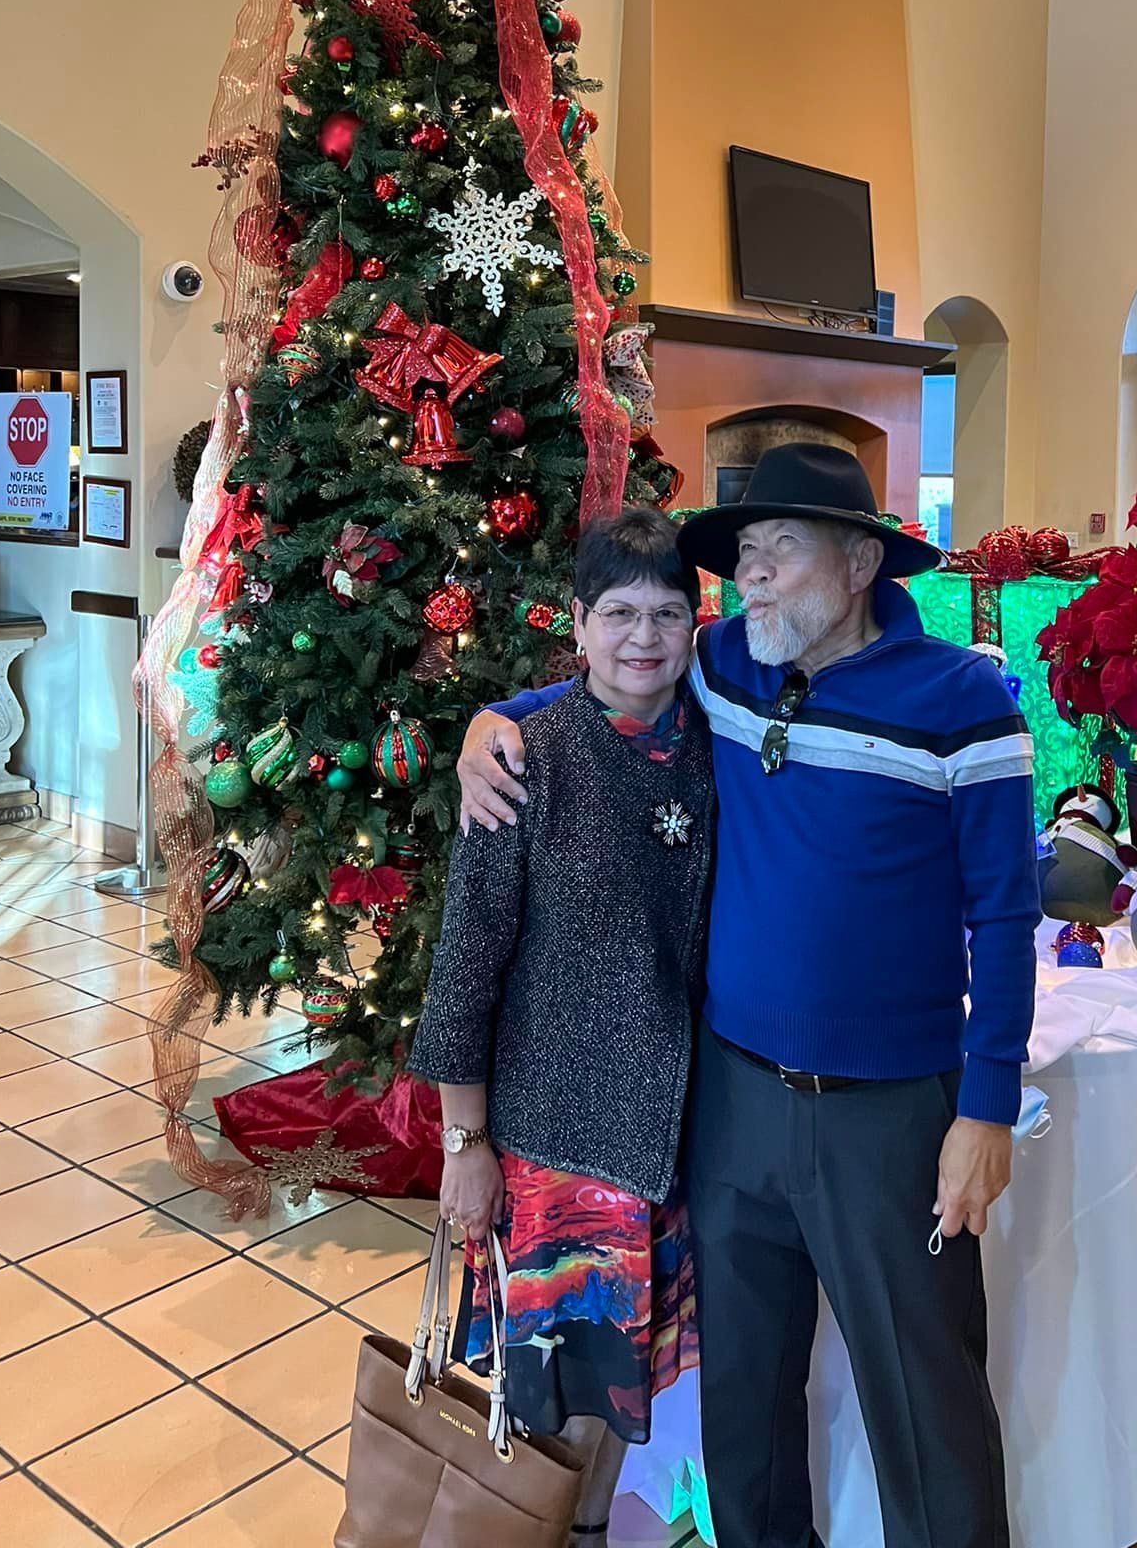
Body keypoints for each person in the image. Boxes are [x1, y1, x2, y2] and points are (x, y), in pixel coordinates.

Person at [460, 443, 1040, 1548]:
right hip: (733, 1101)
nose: (752, 574)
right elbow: (609, 685)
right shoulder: (723, 663)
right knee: (745, 1401)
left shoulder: (962, 700)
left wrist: (988, 1108)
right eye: (745, 555)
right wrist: (497, 717)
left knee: (928, 1406)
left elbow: (1006, 915)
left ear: (861, 561)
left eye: (780, 549)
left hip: (891, 1116)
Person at [409, 507, 714, 1540]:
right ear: (578, 624)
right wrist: (464, 1144)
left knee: (625, 1392)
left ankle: (590, 1532)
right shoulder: (525, 760)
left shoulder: (716, 748)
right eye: (619, 613)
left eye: (666, 613)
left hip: (675, 1142)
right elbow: (465, 969)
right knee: (543, 1410)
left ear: (695, 624)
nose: (643, 637)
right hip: (554, 1149)